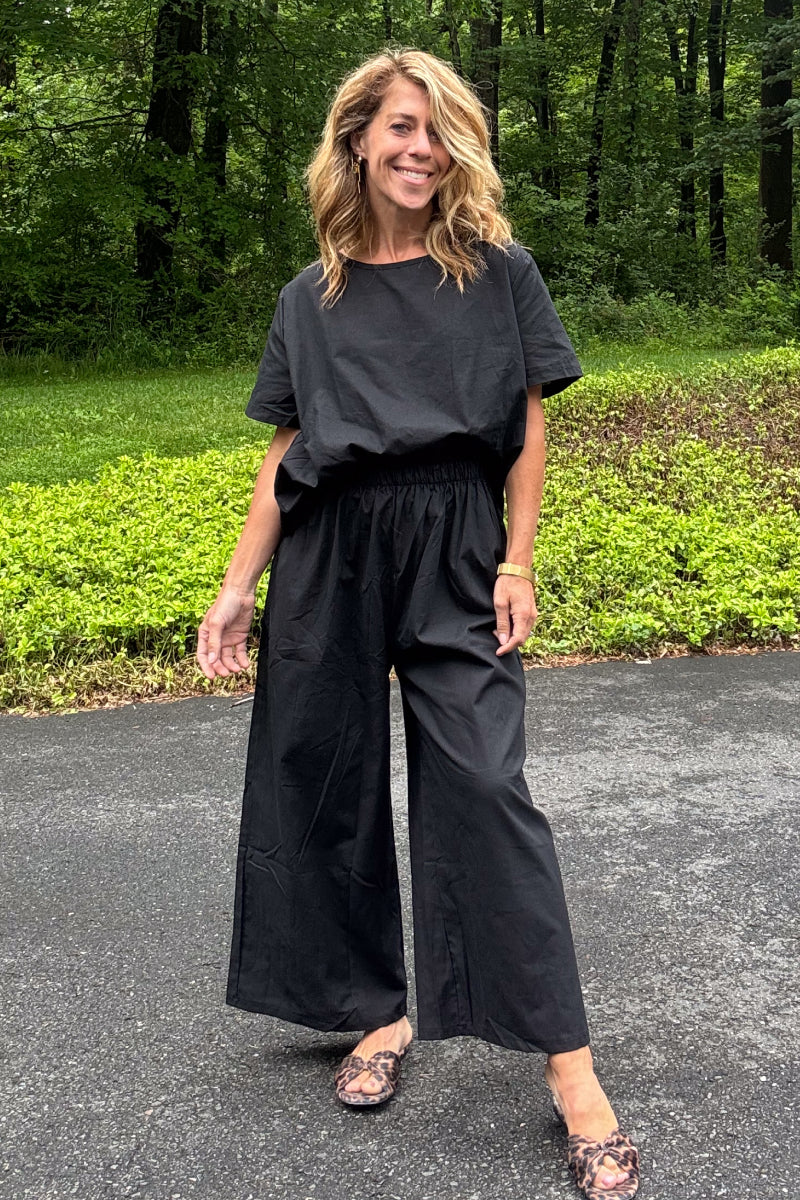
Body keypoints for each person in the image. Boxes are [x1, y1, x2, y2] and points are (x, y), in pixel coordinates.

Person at [196, 47, 640, 1200]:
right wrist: (237, 586)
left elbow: (527, 425)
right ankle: (376, 1013)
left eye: (438, 130)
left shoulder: (496, 273)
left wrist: (516, 557)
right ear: (356, 139)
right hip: (329, 554)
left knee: (486, 787)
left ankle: (570, 1072)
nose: (420, 148)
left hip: (453, 545)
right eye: (400, 126)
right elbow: (286, 451)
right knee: (320, 780)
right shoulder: (310, 296)